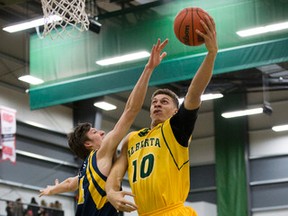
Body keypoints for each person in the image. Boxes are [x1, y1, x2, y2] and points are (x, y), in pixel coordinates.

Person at [39, 38, 169, 216]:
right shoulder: (102, 153)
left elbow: (70, 183)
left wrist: (52, 190)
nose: (101, 132)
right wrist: (148, 69)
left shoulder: (86, 170)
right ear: (88, 144)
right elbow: (131, 110)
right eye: (94, 132)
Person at [105, 15, 218, 216]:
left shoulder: (176, 129)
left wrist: (211, 53)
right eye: (154, 102)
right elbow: (116, 172)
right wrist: (112, 192)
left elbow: (194, 93)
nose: (157, 104)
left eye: (164, 102)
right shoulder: (132, 139)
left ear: (176, 111)